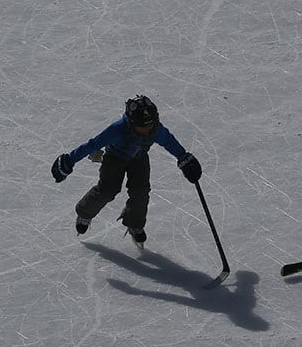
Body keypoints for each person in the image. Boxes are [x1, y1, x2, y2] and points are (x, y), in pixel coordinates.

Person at [51, 95, 202, 248]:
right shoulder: (118, 129)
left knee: (141, 192)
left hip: (139, 160)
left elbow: (169, 142)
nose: (147, 129)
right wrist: (70, 160)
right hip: (114, 159)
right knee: (108, 190)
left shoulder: (156, 129)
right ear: (131, 122)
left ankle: (134, 223)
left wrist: (183, 157)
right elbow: (94, 144)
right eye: (142, 126)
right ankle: (85, 213)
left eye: (150, 125)